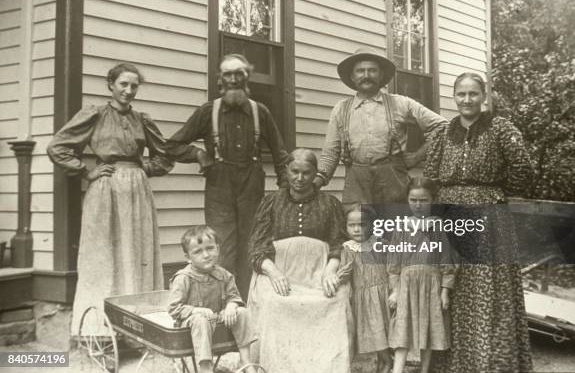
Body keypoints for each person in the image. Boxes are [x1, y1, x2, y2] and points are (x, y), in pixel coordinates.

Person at [47, 63, 173, 336]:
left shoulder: (142, 119)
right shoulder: (95, 114)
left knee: (135, 254)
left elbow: (165, 155)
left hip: (137, 191)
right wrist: (85, 171)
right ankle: (100, 331)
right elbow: (57, 147)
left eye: (134, 86)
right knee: (104, 256)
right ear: (111, 85)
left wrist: (143, 170)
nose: (128, 91)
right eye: (123, 84)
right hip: (105, 190)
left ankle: (138, 328)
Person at [424, 72, 533, 373]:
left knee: (487, 288)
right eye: (461, 94)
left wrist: (493, 195)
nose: (467, 100)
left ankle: (489, 363)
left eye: (473, 94)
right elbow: (431, 177)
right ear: (454, 96)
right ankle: (451, 364)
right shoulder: (443, 133)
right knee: (451, 286)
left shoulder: (501, 128)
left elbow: (523, 170)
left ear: (484, 97)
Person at [165, 54, 289, 297]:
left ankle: (249, 304)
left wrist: (286, 189)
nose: (233, 79)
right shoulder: (208, 112)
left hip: (251, 185)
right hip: (219, 186)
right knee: (221, 247)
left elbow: (280, 154)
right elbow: (171, 145)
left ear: (246, 78)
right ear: (220, 80)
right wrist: (198, 154)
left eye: (239, 73)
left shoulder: (260, 112)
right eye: (228, 74)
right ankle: (223, 304)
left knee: (252, 245)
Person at [247, 148, 352, 373]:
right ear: (286, 170)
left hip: (318, 271)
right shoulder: (271, 201)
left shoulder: (330, 202)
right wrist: (273, 272)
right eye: (295, 171)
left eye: (306, 172)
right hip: (278, 270)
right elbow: (256, 245)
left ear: (316, 173)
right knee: (274, 302)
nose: (300, 178)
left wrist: (331, 269)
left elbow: (338, 242)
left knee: (336, 300)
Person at [315, 47, 447, 208]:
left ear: (381, 75)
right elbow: (330, 153)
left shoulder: (401, 103)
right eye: (360, 71)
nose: (366, 75)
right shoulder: (341, 109)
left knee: (396, 230)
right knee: (358, 230)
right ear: (352, 76)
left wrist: (417, 156)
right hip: (357, 185)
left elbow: (443, 127)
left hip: (393, 184)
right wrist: (317, 181)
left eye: (372, 70)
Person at [387, 178, 456, 373]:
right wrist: (395, 290)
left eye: (424, 200)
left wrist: (444, 291)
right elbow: (393, 262)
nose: (418, 205)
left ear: (432, 200)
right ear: (407, 200)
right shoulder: (400, 227)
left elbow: (446, 261)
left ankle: (424, 370)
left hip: (431, 286)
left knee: (428, 328)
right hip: (407, 285)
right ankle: (397, 370)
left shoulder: (438, 227)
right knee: (402, 329)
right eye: (413, 200)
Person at [168, 226, 256, 373]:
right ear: (188, 258)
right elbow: (173, 308)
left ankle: (245, 360)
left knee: (242, 312)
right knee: (200, 319)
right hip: (191, 323)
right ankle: (205, 367)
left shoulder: (224, 275)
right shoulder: (183, 278)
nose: (206, 255)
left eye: (210, 248)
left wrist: (231, 306)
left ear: (218, 249)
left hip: (217, 319)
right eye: (198, 251)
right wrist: (196, 310)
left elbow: (233, 296)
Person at [336, 205, 392, 373]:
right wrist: (340, 274)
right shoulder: (347, 248)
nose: (356, 229)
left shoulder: (380, 243)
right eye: (351, 225)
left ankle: (386, 361)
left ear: (372, 225)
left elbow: (393, 266)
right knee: (374, 332)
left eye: (362, 225)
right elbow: (344, 274)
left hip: (383, 293)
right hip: (363, 297)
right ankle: (386, 361)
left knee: (384, 330)